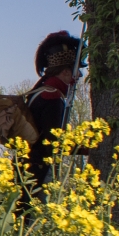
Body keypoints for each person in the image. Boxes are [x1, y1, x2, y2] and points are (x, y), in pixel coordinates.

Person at [26, 31, 84, 194]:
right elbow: (53, 141)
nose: (79, 74)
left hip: (29, 169)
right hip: (38, 173)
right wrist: (85, 146)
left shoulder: (40, 90)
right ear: (65, 72)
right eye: (76, 69)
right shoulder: (51, 96)